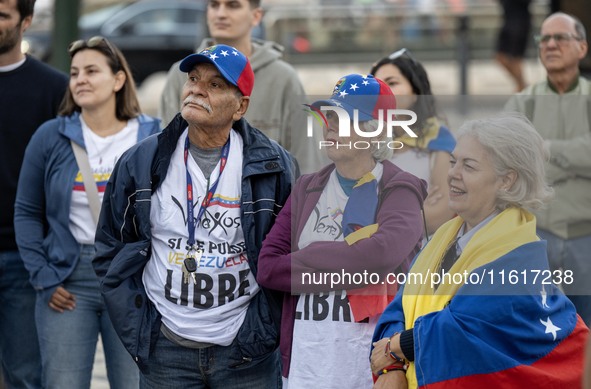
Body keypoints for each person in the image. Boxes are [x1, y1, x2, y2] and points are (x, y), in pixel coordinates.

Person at [92, 44, 295, 388]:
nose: (197, 89)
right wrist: (140, 328)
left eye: (215, 85)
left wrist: (264, 331)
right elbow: (111, 247)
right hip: (165, 349)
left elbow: (289, 255)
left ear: (240, 106)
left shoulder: (273, 167)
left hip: (246, 351)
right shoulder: (142, 161)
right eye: (193, 79)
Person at [370, 113, 589, 389]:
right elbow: (397, 310)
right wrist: (393, 368)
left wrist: (392, 347)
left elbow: (461, 328)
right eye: (453, 162)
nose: (452, 173)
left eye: (469, 166)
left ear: (506, 180)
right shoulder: (442, 239)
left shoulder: (519, 257)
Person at [257, 73, 427, 388]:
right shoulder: (308, 187)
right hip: (306, 365)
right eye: (328, 116)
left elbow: (381, 254)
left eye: (343, 118)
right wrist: (354, 264)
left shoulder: (399, 187)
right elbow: (267, 268)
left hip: (370, 365)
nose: (330, 125)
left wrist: (309, 255)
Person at [14, 36, 160, 388]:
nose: (80, 79)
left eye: (92, 71)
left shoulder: (153, 136)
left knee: (133, 383)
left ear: (118, 79)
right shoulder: (50, 136)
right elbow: (27, 212)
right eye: (75, 72)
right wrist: (44, 277)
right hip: (68, 277)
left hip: (133, 279)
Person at [159, 0, 323, 174]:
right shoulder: (179, 73)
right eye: (214, 5)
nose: (221, 13)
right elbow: (165, 152)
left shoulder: (283, 78)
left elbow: (306, 160)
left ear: (256, 16)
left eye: (233, 5)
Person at [504, 12, 591, 326]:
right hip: (535, 239)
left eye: (560, 37)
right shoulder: (520, 103)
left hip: (587, 239)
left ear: (582, 48)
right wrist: (576, 162)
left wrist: (548, 150)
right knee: (538, 335)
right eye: (544, 38)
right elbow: (508, 161)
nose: (550, 44)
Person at [0, 0, 68, 387]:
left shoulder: (54, 88)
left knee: (25, 375)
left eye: (2, 15)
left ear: (25, 22)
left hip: (22, 257)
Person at [370, 48, 455, 237]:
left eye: (392, 83)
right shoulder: (365, 142)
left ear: (416, 91)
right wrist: (413, 212)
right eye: (377, 87)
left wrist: (378, 219)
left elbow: (440, 214)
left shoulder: (440, 140)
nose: (383, 92)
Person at [495, 0, 532, 92]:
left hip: (519, 23)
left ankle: (522, 87)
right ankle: (522, 86)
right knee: (501, 57)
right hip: (508, 21)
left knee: (515, 59)